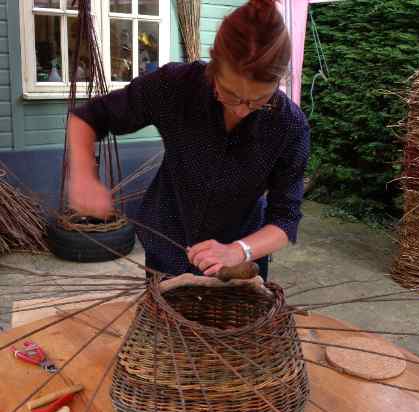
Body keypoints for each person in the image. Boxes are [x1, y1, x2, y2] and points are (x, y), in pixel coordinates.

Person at [68, 0, 310, 280]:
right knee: (164, 323)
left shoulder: (289, 125)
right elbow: (87, 118)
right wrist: (83, 176)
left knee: (234, 323)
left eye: (258, 101)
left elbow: (285, 218)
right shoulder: (176, 86)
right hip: (166, 244)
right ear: (214, 67)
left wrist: (239, 250)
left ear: (278, 82)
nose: (241, 110)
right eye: (230, 94)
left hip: (237, 264)